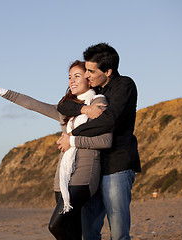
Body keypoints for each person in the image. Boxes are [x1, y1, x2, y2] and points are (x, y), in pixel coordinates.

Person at [0, 60, 112, 240]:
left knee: (56, 226)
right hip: (62, 178)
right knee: (73, 230)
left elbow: (106, 140)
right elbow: (32, 104)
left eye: (77, 76)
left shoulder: (98, 103)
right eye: (69, 77)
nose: (72, 81)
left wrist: (73, 141)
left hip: (84, 174)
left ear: (88, 78)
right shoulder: (66, 109)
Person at [57, 43, 141, 240]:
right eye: (85, 70)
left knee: (118, 233)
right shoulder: (94, 93)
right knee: (89, 232)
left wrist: (73, 137)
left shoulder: (125, 86)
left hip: (117, 166)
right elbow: (63, 105)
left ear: (108, 71)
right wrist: (83, 109)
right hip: (93, 170)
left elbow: (109, 120)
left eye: (91, 71)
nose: (86, 75)